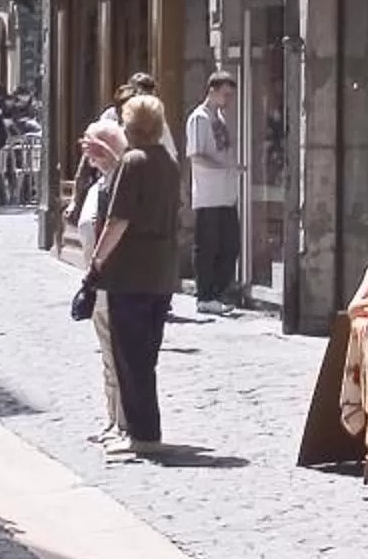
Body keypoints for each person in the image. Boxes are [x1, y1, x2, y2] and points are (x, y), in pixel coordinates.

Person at [89, 95, 184, 458]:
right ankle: (144, 429)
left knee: (128, 355)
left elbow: (118, 220)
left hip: (130, 271)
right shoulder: (169, 163)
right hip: (161, 270)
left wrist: (97, 262)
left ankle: (141, 433)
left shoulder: (132, 162)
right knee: (147, 354)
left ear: (131, 126)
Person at [68, 119, 129, 445]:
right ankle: (112, 419)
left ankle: (121, 422)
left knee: (117, 357)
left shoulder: (117, 186)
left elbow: (108, 229)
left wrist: (95, 270)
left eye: (93, 150)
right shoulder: (100, 185)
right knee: (108, 357)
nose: (88, 158)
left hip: (112, 282)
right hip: (98, 283)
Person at [186, 69, 247, 307]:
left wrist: (232, 168)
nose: (228, 100)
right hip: (208, 194)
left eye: (231, 95)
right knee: (208, 246)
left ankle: (220, 291)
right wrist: (225, 167)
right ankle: (205, 295)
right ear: (212, 91)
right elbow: (196, 156)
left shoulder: (218, 118)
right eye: (225, 95)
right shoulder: (199, 118)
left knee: (229, 245)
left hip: (226, 194)